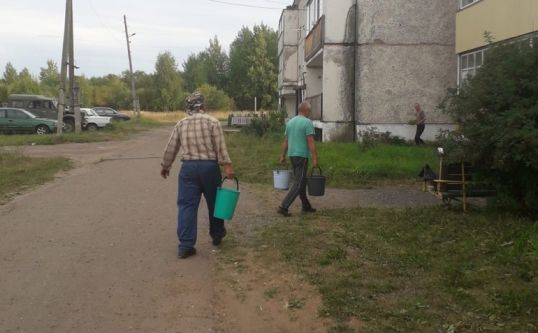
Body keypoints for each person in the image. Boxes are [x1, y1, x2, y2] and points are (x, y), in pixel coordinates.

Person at [160, 92, 235, 259]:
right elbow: (220, 147)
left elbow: (171, 147)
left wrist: (166, 166)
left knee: (186, 205)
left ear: (188, 108)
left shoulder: (181, 124)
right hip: (209, 167)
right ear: (202, 106)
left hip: (188, 169)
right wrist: (227, 166)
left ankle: (185, 245)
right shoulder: (212, 122)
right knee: (215, 203)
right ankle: (216, 235)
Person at [277, 101, 319, 217]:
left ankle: (306, 206)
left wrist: (282, 155)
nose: (309, 113)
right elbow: (310, 141)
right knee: (299, 183)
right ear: (306, 111)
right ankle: (283, 206)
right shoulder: (307, 122)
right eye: (309, 111)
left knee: (301, 181)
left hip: (292, 155)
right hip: (302, 156)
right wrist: (315, 158)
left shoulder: (290, 122)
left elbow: (286, 141)